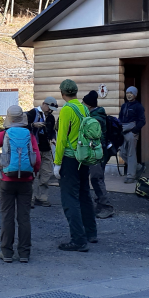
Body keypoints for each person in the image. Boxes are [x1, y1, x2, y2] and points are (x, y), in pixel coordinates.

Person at [0, 105, 42, 263]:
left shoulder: (4, 134)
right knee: (24, 217)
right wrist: (34, 172)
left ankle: (7, 252)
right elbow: (37, 158)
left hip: (7, 180)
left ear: (9, 119)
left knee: (7, 217)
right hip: (26, 181)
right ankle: (24, 253)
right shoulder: (29, 135)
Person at [53, 79, 97, 252]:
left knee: (70, 198)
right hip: (84, 157)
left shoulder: (66, 110)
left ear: (63, 94)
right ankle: (91, 232)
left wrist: (57, 163)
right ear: (76, 92)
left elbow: (62, 138)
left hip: (70, 158)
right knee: (84, 194)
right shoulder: (84, 108)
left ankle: (78, 240)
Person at [82, 90, 114, 219]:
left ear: (89, 105)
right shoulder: (98, 115)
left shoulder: (95, 119)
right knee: (97, 178)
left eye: (83, 103)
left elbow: (94, 138)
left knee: (96, 178)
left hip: (96, 153)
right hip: (100, 152)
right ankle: (100, 203)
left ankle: (106, 206)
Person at [26, 97, 57, 207]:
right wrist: (33, 125)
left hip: (46, 148)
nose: (50, 111)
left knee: (46, 173)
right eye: (49, 108)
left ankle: (42, 197)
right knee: (32, 173)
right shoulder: (31, 113)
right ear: (44, 104)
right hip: (34, 148)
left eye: (52, 109)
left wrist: (53, 138)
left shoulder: (51, 118)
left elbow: (52, 130)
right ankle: (29, 198)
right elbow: (23, 125)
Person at [119, 86, 146, 182]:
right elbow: (120, 119)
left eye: (131, 93)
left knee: (131, 154)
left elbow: (142, 121)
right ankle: (138, 167)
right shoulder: (124, 106)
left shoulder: (138, 106)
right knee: (122, 153)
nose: (129, 95)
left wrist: (134, 131)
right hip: (123, 132)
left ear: (135, 94)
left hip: (131, 133)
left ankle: (131, 176)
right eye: (127, 93)